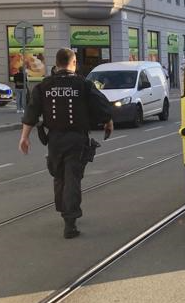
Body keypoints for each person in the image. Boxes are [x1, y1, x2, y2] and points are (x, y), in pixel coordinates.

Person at [18, 48, 114, 238]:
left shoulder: (44, 86)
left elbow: (31, 112)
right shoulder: (83, 84)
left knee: (59, 175)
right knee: (73, 178)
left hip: (54, 139)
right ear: (73, 62)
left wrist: (24, 137)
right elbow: (101, 105)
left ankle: (64, 210)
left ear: (57, 63)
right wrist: (108, 122)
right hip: (76, 138)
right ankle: (70, 221)